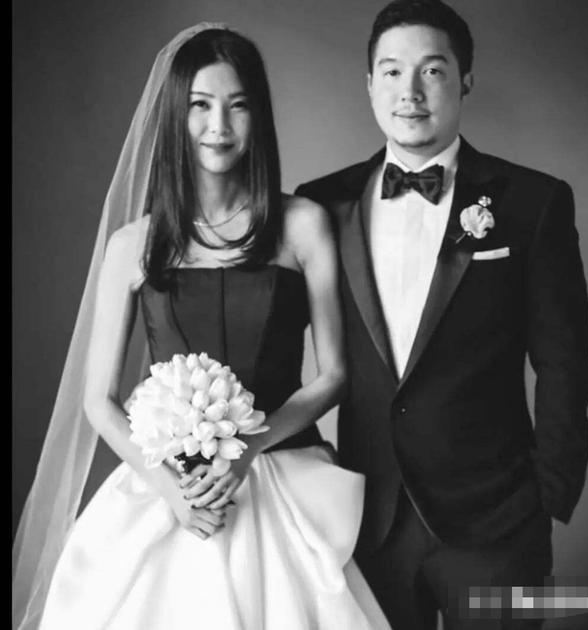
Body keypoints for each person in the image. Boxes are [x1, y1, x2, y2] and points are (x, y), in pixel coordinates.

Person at [12, 23, 392, 630]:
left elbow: (335, 376)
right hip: (167, 488)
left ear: (257, 115)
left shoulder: (302, 224)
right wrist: (171, 490)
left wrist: (249, 451)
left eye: (237, 105)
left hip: (280, 472)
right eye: (200, 106)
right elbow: (98, 400)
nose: (219, 125)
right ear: (175, 115)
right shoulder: (132, 245)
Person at [295, 1, 588, 628]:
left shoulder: (534, 201)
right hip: (365, 523)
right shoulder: (319, 204)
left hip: (498, 525)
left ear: (465, 81)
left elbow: (565, 360)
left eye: (432, 70)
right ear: (369, 83)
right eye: (392, 71)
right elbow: (275, 339)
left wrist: (549, 491)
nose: (410, 91)